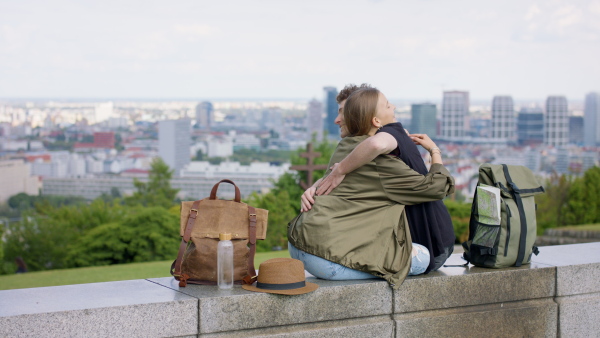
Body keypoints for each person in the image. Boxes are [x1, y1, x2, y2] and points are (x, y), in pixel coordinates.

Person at [288, 86, 455, 288]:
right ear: (376, 121)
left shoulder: (345, 148)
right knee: (424, 258)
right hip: (325, 259)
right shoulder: (382, 161)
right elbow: (436, 187)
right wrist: (434, 151)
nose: (392, 106)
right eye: (387, 105)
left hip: (299, 243)